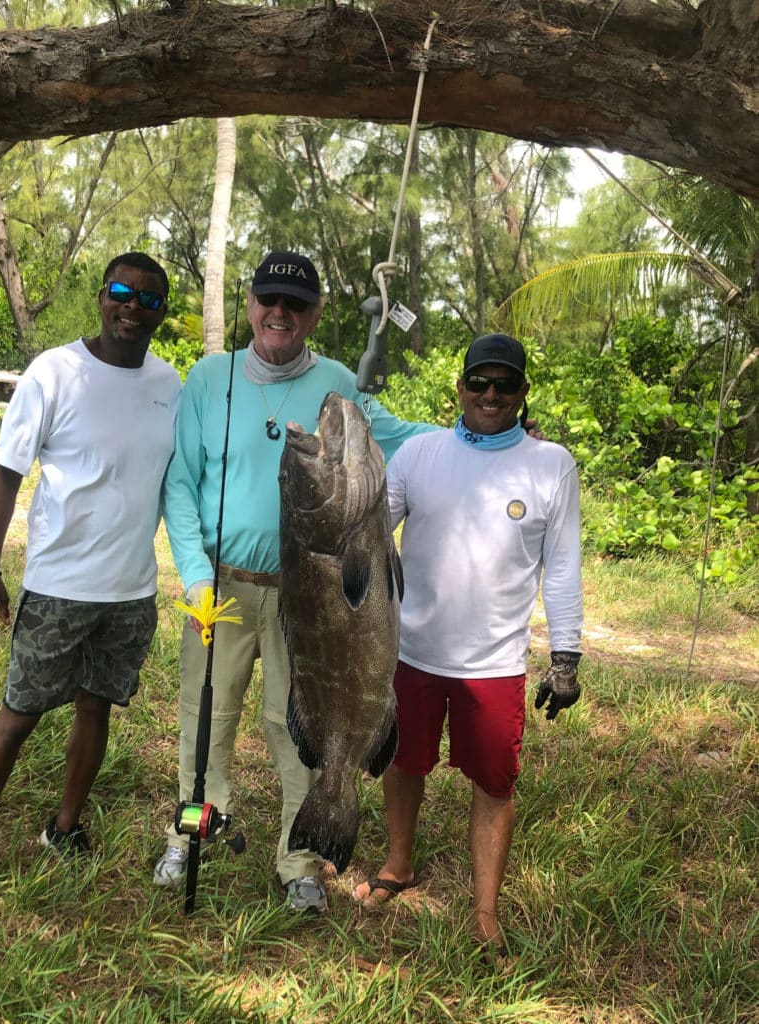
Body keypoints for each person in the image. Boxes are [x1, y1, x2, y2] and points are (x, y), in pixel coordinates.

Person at [154, 251, 432, 911]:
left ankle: (301, 860)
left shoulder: (335, 380)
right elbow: (182, 486)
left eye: (296, 304)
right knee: (205, 716)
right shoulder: (209, 379)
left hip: (310, 597)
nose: (280, 313)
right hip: (218, 588)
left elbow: (393, 436)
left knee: (298, 723)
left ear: (314, 314)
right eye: (268, 299)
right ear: (250, 302)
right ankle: (191, 831)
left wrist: (482, 431)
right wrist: (195, 577)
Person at [0, 252, 181, 902]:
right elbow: (4, 474)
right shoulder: (55, 371)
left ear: (161, 312)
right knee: (17, 718)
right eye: (122, 292)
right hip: (57, 590)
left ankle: (64, 826)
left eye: (148, 299)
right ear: (102, 295)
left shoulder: (169, 383)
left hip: (131, 592)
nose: (133, 307)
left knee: (96, 708)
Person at [351, 333, 583, 957]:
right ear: (458, 387)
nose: (489, 394)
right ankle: (399, 864)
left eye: (504, 384)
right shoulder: (420, 454)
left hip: (496, 663)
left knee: (494, 783)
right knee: (402, 763)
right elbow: (370, 531)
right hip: (411, 649)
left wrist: (566, 658)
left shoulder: (551, 465)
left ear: (522, 393)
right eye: (478, 381)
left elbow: (561, 568)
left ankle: (485, 909)